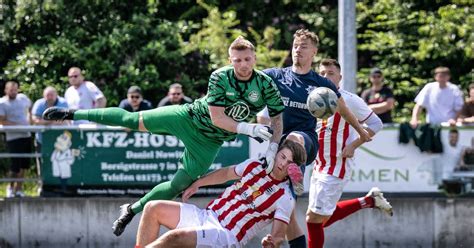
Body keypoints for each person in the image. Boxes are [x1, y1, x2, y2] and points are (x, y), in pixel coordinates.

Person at [43, 36, 285, 236]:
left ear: (255, 58)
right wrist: (248, 128)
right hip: (188, 118)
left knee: (179, 185)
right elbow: (217, 118)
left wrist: (274, 146)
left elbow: (277, 118)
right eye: (237, 60)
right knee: (129, 120)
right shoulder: (221, 76)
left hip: (210, 141)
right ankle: (72, 112)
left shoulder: (265, 84)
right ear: (230, 61)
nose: (243, 64)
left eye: (247, 59)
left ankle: (131, 209)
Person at [257, 29, 371, 248]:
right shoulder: (276, 76)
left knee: (294, 138)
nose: (298, 50)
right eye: (295, 45)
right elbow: (248, 82)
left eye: (304, 46)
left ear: (314, 52)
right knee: (286, 208)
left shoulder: (321, 84)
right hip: (278, 148)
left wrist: (361, 131)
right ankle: (279, 240)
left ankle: (296, 173)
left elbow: (344, 109)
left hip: (306, 142)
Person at [135, 140, 307, 248]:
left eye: (289, 162)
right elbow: (225, 174)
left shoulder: (285, 197)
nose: (283, 163)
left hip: (227, 235)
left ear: (294, 169)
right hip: (206, 216)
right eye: (282, 157)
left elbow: (277, 237)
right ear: (276, 154)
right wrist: (199, 183)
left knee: (175, 237)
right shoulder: (255, 165)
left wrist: (271, 242)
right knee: (152, 208)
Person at [304, 58, 392, 248]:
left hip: (337, 165)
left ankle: (369, 201)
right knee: (319, 219)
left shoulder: (350, 100)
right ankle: (369, 201)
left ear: (340, 77)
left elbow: (377, 124)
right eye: (322, 73)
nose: (325, 77)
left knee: (313, 220)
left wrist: (354, 145)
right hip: (319, 165)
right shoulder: (312, 98)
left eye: (330, 73)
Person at [0, 81, 32, 197]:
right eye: (11, 90)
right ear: (6, 90)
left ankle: (19, 189)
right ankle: (10, 188)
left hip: (26, 135)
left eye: (15, 89)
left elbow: (30, 108)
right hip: (13, 137)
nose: (13, 92)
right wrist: (18, 125)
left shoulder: (23, 98)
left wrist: (29, 119)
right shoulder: (2, 103)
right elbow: (2, 121)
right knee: (15, 165)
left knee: (24, 165)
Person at [31, 86, 69, 153]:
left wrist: (44, 121)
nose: (49, 97)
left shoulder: (63, 103)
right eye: (47, 95)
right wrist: (53, 120)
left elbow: (65, 120)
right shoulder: (39, 103)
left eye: (51, 95)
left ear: (56, 95)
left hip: (60, 140)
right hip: (42, 139)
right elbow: (35, 120)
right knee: (41, 161)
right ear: (43, 95)